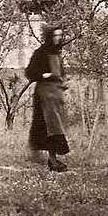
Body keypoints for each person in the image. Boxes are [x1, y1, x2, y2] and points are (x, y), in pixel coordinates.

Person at [26, 25, 71, 172]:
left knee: (55, 126)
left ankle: (52, 159)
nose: (58, 38)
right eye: (55, 35)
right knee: (50, 127)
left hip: (56, 93)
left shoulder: (57, 53)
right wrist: (42, 75)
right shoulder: (40, 52)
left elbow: (61, 72)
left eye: (60, 35)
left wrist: (64, 81)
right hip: (44, 94)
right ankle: (51, 160)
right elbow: (30, 72)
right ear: (49, 37)